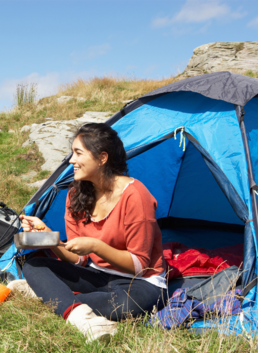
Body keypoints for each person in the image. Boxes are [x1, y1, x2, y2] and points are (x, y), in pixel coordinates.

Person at [9, 123, 167, 342]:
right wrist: (47, 236)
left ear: (102, 158)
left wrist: (95, 246)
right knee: (34, 264)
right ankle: (80, 316)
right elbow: (80, 259)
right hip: (97, 276)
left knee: (123, 306)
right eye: (71, 153)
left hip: (141, 282)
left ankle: (52, 296)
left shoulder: (135, 196)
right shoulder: (76, 193)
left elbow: (139, 265)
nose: (71, 160)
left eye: (78, 153)